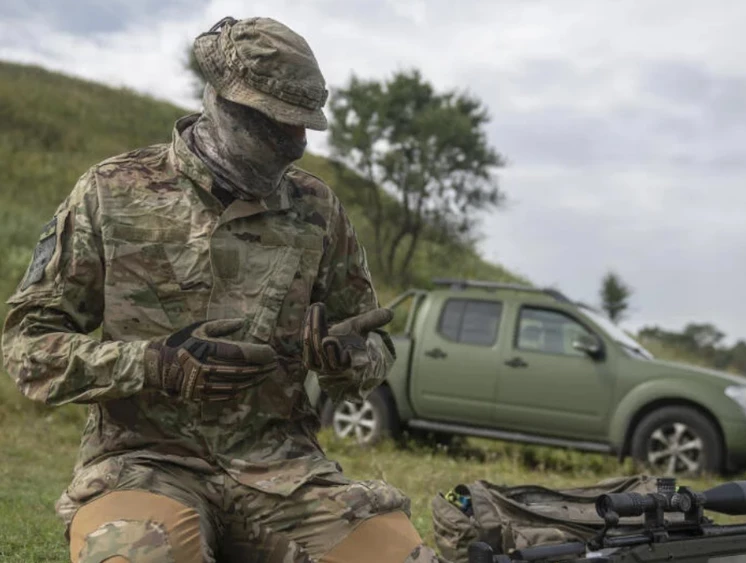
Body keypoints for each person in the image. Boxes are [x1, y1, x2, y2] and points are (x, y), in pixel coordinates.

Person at [1, 16, 445, 563]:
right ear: (220, 103)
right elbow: (28, 349)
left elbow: (373, 349)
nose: (297, 145)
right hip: (144, 468)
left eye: (305, 126)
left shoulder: (318, 211)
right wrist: (155, 365)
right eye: (277, 125)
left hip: (284, 474)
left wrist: (347, 358)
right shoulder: (111, 193)